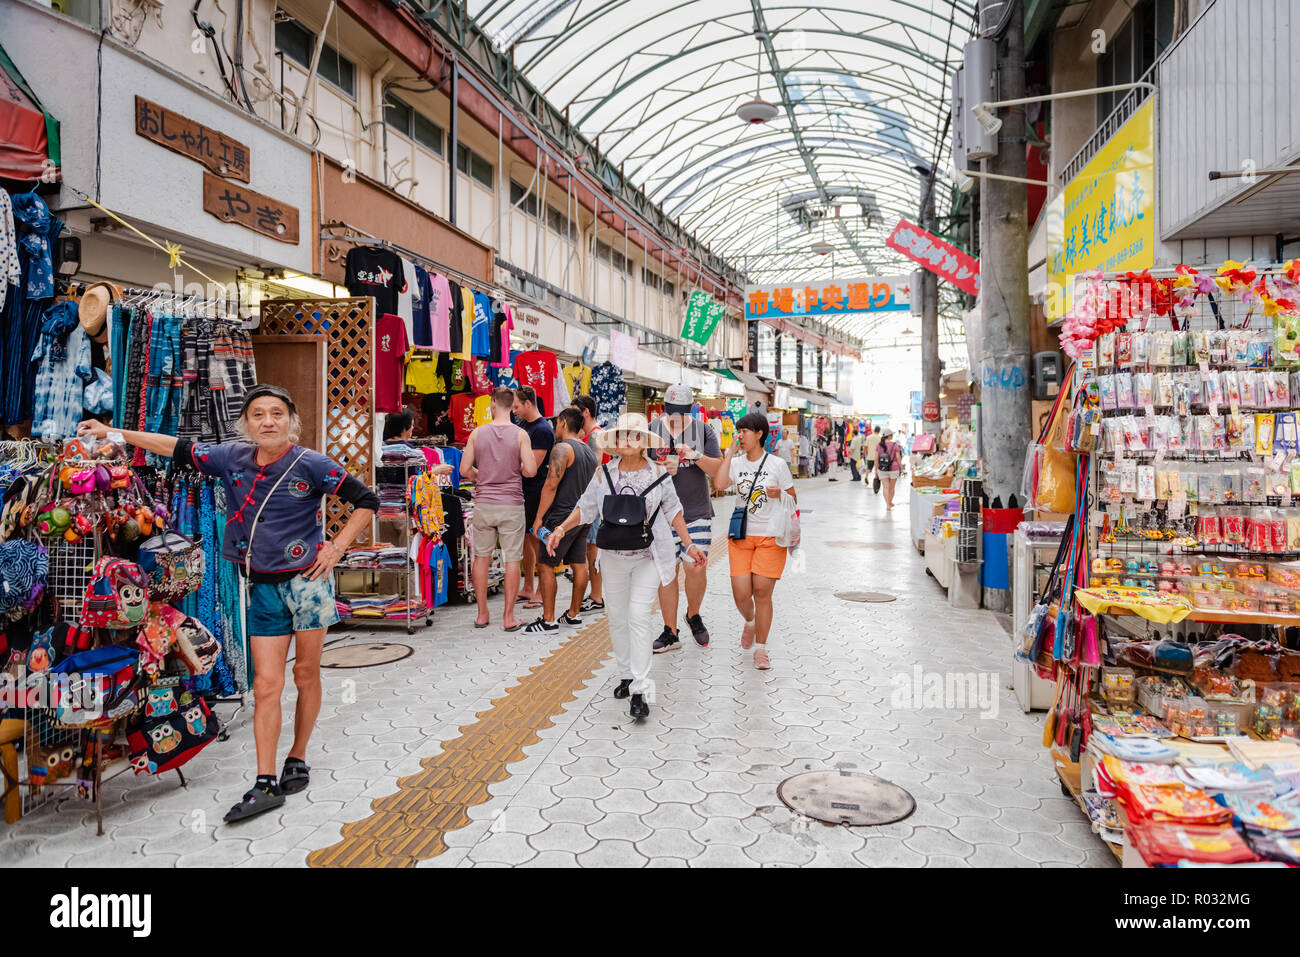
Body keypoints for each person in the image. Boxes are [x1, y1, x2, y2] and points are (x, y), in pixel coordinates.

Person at [80, 384, 379, 824]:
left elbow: (365, 500)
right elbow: (175, 447)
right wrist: (114, 432)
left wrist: (335, 548)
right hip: (260, 587)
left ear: (291, 421)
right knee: (266, 685)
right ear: (247, 424)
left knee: (305, 672)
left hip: (308, 584)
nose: (268, 421)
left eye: (277, 413)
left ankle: (297, 755)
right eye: (258, 414)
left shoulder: (312, 463)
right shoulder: (233, 458)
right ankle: (264, 781)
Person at [546, 413, 705, 718]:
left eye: (635, 435)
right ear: (616, 442)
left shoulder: (659, 474)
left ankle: (642, 690)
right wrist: (561, 529)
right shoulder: (602, 473)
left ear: (644, 441)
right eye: (623, 435)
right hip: (612, 555)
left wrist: (689, 544)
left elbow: (674, 511)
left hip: (648, 556)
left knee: (637, 615)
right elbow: (585, 509)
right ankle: (626, 674)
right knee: (617, 616)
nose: (629, 440)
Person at [715, 411, 796, 671]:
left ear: (759, 434)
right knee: (741, 593)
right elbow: (718, 484)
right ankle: (750, 621)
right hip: (741, 536)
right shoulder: (737, 464)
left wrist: (779, 492)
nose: (740, 435)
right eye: (739, 430)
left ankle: (761, 649)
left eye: (744, 431)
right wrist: (728, 454)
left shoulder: (777, 465)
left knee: (762, 591)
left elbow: (793, 498)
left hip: (771, 536)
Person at [648, 385, 723, 652]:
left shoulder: (704, 431)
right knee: (667, 573)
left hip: (696, 510)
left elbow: (718, 470)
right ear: (664, 407)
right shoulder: (653, 429)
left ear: (691, 408)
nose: (675, 417)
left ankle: (693, 614)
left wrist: (694, 456)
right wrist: (659, 468)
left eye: (681, 412)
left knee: (695, 566)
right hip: (661, 514)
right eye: (671, 411)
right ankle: (670, 631)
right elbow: (640, 466)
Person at [459, 386, 541, 630]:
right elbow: (531, 470)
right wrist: (515, 471)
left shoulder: (477, 433)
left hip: (484, 503)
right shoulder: (520, 435)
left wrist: (479, 476)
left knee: (481, 557)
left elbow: (464, 470)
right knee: (512, 559)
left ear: (493, 404)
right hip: (512, 504)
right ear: (512, 405)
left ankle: (482, 614)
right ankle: (508, 618)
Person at [526, 407, 597, 634]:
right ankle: (573, 615)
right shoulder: (589, 452)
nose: (555, 428)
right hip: (582, 515)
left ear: (564, 423)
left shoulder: (562, 449)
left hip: (560, 516)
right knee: (579, 563)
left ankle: (548, 621)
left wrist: (538, 519)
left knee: (546, 564)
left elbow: (550, 484)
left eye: (557, 423)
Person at [513, 385, 555, 610]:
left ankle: (540, 590)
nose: (514, 410)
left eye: (517, 406)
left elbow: (532, 466)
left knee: (537, 540)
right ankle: (528, 585)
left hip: (537, 492)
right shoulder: (525, 426)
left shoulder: (542, 429)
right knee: (527, 541)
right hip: (525, 492)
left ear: (528, 403)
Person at [572, 394, 606, 614]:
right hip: (589, 500)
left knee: (593, 548)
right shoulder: (590, 436)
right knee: (590, 548)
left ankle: (596, 596)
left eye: (576, 411)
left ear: (585, 412)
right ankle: (595, 594)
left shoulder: (596, 436)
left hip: (595, 501)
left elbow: (594, 469)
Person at [877, 427, 905, 510]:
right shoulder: (895, 445)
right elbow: (898, 457)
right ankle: (889, 502)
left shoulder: (879, 445)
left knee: (885, 487)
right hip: (894, 468)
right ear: (889, 436)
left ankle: (888, 505)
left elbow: (876, 458)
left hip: (882, 469)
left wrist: (875, 470)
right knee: (892, 488)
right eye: (891, 434)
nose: (892, 436)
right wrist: (901, 469)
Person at [864, 424, 883, 490]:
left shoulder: (869, 437)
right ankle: (876, 478)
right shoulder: (880, 437)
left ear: (874, 430)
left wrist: (866, 453)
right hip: (878, 456)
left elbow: (866, 447)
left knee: (869, 468)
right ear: (879, 431)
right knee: (877, 468)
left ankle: (866, 477)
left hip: (870, 455)